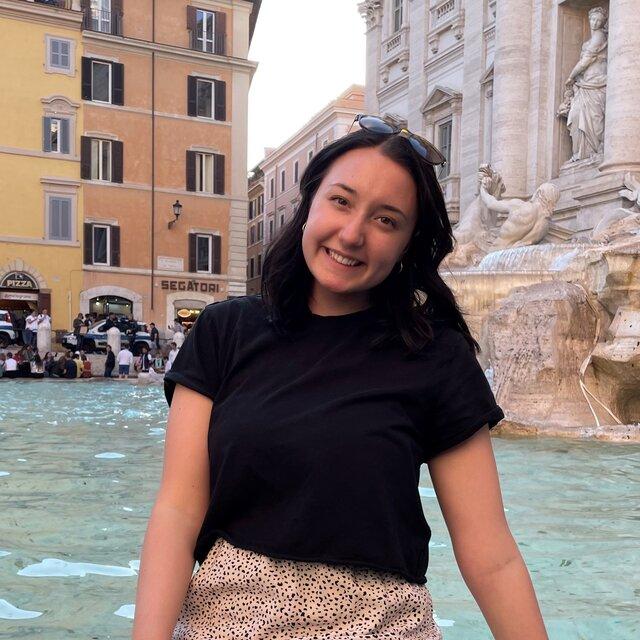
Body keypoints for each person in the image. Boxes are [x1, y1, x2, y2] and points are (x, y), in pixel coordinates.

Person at [133, 118, 548, 640]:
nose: (352, 234)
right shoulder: (224, 331)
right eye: (342, 202)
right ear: (309, 204)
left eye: (387, 220)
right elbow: (177, 510)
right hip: (226, 621)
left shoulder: (435, 356)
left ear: (407, 245)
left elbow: (490, 555)